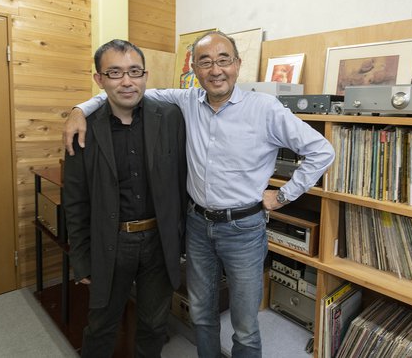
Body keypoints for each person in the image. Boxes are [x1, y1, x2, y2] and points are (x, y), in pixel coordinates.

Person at [63, 31, 334, 358]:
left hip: (243, 230)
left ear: (237, 64)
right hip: (197, 227)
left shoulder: (265, 108)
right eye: (205, 62)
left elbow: (322, 150)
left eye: (224, 60)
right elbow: (127, 92)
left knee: (245, 326)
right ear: (195, 69)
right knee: (201, 316)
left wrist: (282, 196)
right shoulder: (185, 102)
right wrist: (80, 108)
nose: (216, 70)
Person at [63, 39, 187, 358]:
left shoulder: (170, 117)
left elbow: (182, 181)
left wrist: (181, 241)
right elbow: (75, 200)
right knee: (101, 326)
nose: (127, 81)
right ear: (99, 79)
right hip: (111, 242)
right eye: (115, 73)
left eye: (134, 71)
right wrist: (81, 258)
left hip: (159, 242)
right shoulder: (84, 128)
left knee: (154, 325)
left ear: (145, 75)